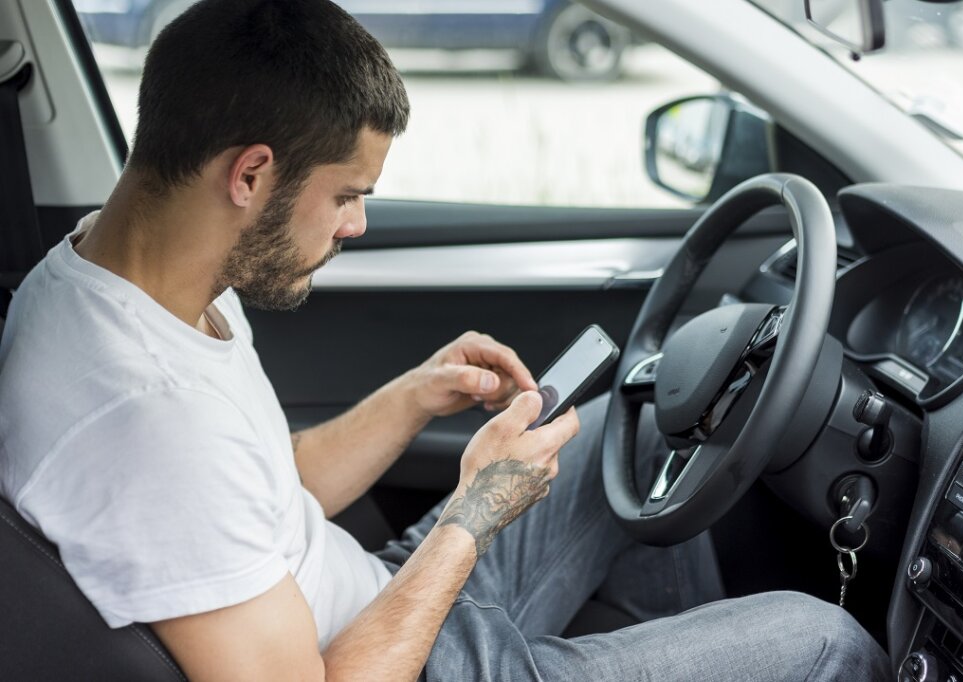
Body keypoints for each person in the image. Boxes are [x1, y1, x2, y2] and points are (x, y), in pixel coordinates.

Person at [0, 0, 890, 679]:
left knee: (649, 419)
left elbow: (270, 487)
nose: (353, 227)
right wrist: (472, 513)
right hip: (409, 658)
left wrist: (415, 394)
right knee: (826, 640)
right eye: (348, 195)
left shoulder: (111, 275)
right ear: (252, 174)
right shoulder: (145, 418)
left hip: (387, 596)